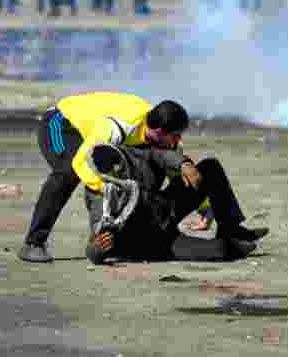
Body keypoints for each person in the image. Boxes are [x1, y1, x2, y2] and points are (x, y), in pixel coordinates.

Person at [18, 93, 192, 263]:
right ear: (160, 132)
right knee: (68, 171)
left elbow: (174, 169)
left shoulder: (159, 132)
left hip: (93, 132)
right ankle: (33, 243)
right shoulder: (120, 126)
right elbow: (82, 163)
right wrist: (111, 189)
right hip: (61, 123)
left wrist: (204, 206)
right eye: (176, 135)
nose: (178, 140)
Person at [83, 144, 266, 264]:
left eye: (120, 166)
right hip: (153, 242)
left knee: (209, 167)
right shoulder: (100, 197)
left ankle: (231, 228)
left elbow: (159, 154)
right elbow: (93, 246)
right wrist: (97, 250)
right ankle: (233, 244)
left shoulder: (130, 155)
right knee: (220, 250)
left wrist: (183, 164)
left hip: (164, 208)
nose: (120, 172)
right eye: (113, 173)